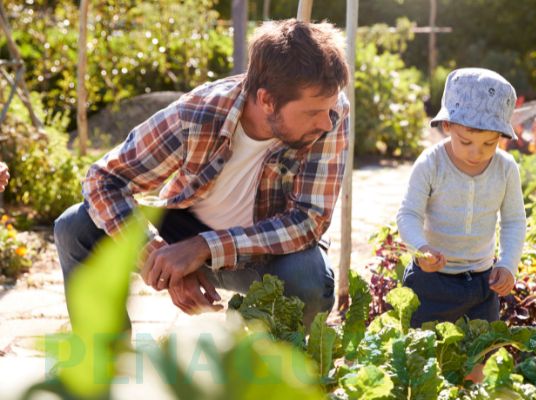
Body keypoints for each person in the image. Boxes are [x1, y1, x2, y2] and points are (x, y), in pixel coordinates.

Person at [54, 19, 350, 330]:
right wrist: (159, 258)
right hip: (184, 230)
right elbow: (104, 180)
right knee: (75, 227)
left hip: (268, 254)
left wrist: (203, 247)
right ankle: (105, 363)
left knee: (308, 280)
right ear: (266, 100)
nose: (327, 123)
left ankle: (265, 365)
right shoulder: (196, 116)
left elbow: (308, 218)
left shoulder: (330, 111)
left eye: (329, 110)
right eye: (312, 113)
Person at [397, 68, 527, 329]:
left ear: (501, 136)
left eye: (489, 144)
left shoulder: (505, 168)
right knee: (425, 356)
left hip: (482, 282)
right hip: (432, 280)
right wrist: (421, 248)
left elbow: (514, 220)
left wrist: (508, 264)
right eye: (466, 142)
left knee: (476, 357)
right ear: (447, 126)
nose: (476, 153)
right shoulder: (431, 164)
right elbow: (408, 214)